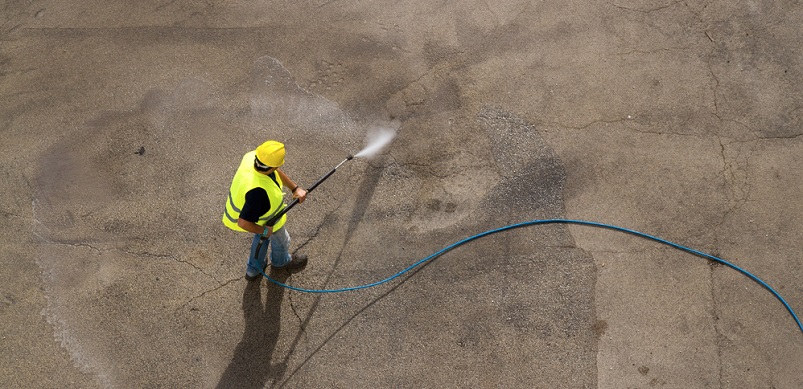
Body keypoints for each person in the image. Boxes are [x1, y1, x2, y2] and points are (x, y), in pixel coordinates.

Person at [223, 140, 309, 281]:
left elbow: (275, 171)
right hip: (265, 221)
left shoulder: (252, 157)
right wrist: (264, 230)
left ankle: (253, 270)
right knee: (281, 240)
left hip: (258, 217)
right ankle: (281, 262)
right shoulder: (257, 192)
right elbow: (243, 222)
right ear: (273, 166)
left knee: (261, 240)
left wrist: (295, 188)